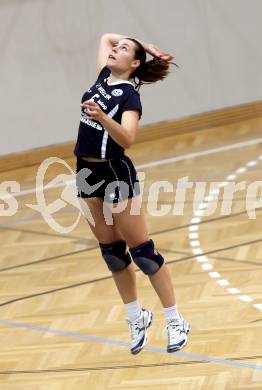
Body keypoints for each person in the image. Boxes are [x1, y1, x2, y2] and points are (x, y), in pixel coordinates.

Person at [74, 33, 190, 354]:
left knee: (143, 253)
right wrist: (148, 46)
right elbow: (105, 35)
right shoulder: (103, 77)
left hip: (114, 173)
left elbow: (127, 138)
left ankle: (175, 320)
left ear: (133, 64)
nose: (114, 48)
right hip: (85, 172)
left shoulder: (129, 97)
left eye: (123, 49)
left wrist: (101, 117)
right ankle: (136, 317)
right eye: (116, 48)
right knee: (111, 253)